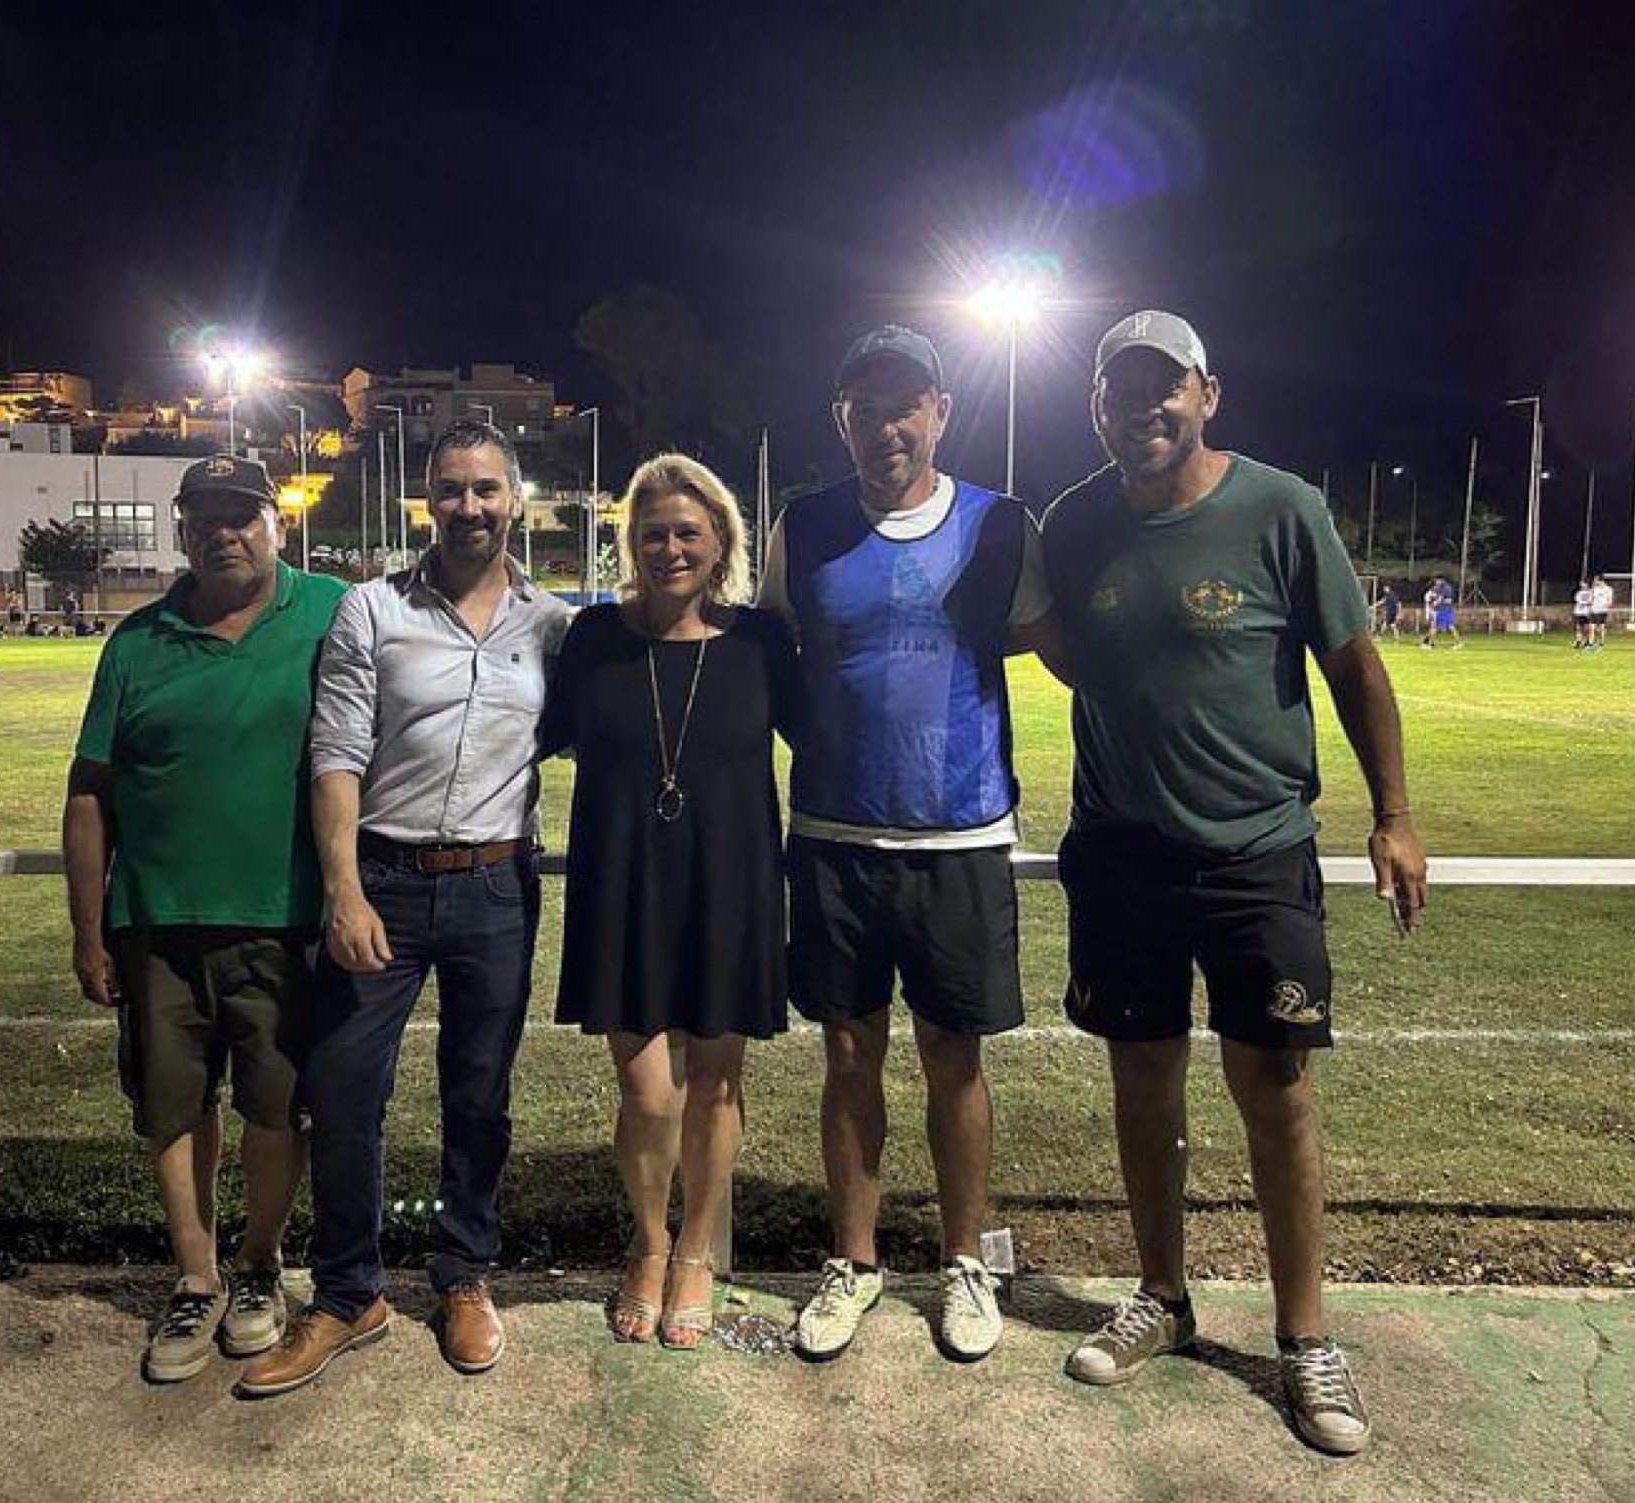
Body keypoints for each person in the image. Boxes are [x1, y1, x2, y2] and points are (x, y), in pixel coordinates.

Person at [1033, 311, 1428, 1456]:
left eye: (1164, 388)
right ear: (1095, 408)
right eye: (1120, 391)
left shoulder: (1279, 508)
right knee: (1142, 1078)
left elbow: (1353, 667)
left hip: (1255, 851)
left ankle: (1303, 1337)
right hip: (1119, 852)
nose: (1142, 409)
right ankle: (1161, 1296)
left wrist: (1393, 816)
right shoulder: (1073, 521)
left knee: (1275, 1088)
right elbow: (1060, 646)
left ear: (1207, 394)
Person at [240, 420, 570, 1396]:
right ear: (427, 500)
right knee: (344, 1090)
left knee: (479, 1093)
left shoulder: (552, 626)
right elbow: (336, 753)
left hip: (497, 884)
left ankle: (464, 1273)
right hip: (380, 879)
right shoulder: (371, 610)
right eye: (451, 489)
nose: (469, 506)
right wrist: (342, 889)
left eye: (485, 488)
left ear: (514, 498)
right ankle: (349, 1293)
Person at [758, 325, 1052, 1366]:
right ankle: (853, 1259)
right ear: (839, 420)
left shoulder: (1000, 524)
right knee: (847, 1055)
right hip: (834, 833)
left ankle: (963, 1259)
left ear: (939, 411)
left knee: (953, 1058)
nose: (885, 427)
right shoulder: (803, 525)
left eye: (904, 407)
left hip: (959, 832)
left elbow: (1050, 645)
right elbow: (774, 660)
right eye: (864, 409)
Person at [62, 454, 348, 1384]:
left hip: (284, 920)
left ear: (278, 523)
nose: (226, 532)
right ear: (182, 529)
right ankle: (195, 1274)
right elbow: (90, 792)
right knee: (172, 1106)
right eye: (206, 517)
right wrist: (88, 930)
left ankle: (260, 1262)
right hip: (157, 921)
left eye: (243, 514)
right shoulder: (137, 641)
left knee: (277, 1106)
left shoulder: (332, 612)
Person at [541, 453, 796, 1350]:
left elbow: (826, 730)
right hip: (622, 881)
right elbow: (533, 733)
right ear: (631, 542)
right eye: (653, 533)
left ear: (721, 539)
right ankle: (648, 1240)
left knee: (717, 1082)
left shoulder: (760, 641)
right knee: (649, 1091)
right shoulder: (593, 637)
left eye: (689, 531)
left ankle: (695, 1250)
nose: (671, 548)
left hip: (731, 881)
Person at [1420, 577, 1460, 649]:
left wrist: (1434, 604)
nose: (1436, 583)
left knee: (1434, 627)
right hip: (1448, 610)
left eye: (1437, 581)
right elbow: (1446, 599)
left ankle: (1430, 644)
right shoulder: (1448, 587)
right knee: (1451, 626)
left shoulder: (1443, 589)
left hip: (1442, 610)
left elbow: (1440, 599)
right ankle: (1458, 643)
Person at [1589, 573, 1614, 648]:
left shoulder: (1608, 589)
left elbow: (1610, 601)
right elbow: (1591, 599)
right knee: (1592, 627)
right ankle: (1591, 643)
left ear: (1600, 580)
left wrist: (1607, 606)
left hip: (1602, 611)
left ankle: (1601, 643)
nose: (1594, 581)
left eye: (1595, 580)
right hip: (1594, 610)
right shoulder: (1594, 589)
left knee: (1600, 628)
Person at [1572, 581, 1593, 649]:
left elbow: (1590, 601)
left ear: (1587, 584)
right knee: (1578, 628)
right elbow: (1577, 600)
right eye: (1581, 584)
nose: (1582, 585)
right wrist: (1582, 603)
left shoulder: (1590, 592)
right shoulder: (1578, 593)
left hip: (1586, 612)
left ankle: (1587, 642)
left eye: (1584, 583)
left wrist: (1584, 603)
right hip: (1578, 612)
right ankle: (1578, 641)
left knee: (1586, 628)